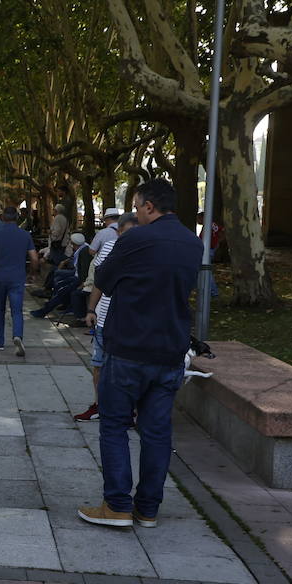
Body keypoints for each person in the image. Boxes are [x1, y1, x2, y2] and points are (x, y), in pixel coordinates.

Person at [77, 178, 202, 529]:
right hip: (170, 350)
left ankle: (116, 505)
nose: (135, 212)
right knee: (157, 432)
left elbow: (106, 278)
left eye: (136, 205)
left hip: (129, 347)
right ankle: (148, 508)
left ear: (149, 206)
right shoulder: (193, 243)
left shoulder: (136, 239)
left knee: (114, 425)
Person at [72, 212, 138, 421]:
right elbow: (100, 280)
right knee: (100, 364)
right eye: (122, 233)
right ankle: (101, 404)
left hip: (130, 319)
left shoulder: (147, 252)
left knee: (124, 366)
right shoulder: (111, 247)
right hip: (105, 317)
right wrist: (91, 310)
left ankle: (126, 409)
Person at [0, 206, 38, 357]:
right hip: (17, 278)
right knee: (17, 310)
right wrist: (32, 273)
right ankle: (17, 335)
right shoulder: (25, 235)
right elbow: (34, 258)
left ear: (3, 218)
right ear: (17, 218)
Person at [31, 233, 87, 318]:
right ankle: (50, 300)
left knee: (61, 287)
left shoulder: (83, 252)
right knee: (58, 281)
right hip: (78, 276)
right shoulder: (82, 249)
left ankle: (46, 308)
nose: (70, 245)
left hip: (80, 278)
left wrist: (82, 283)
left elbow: (83, 272)